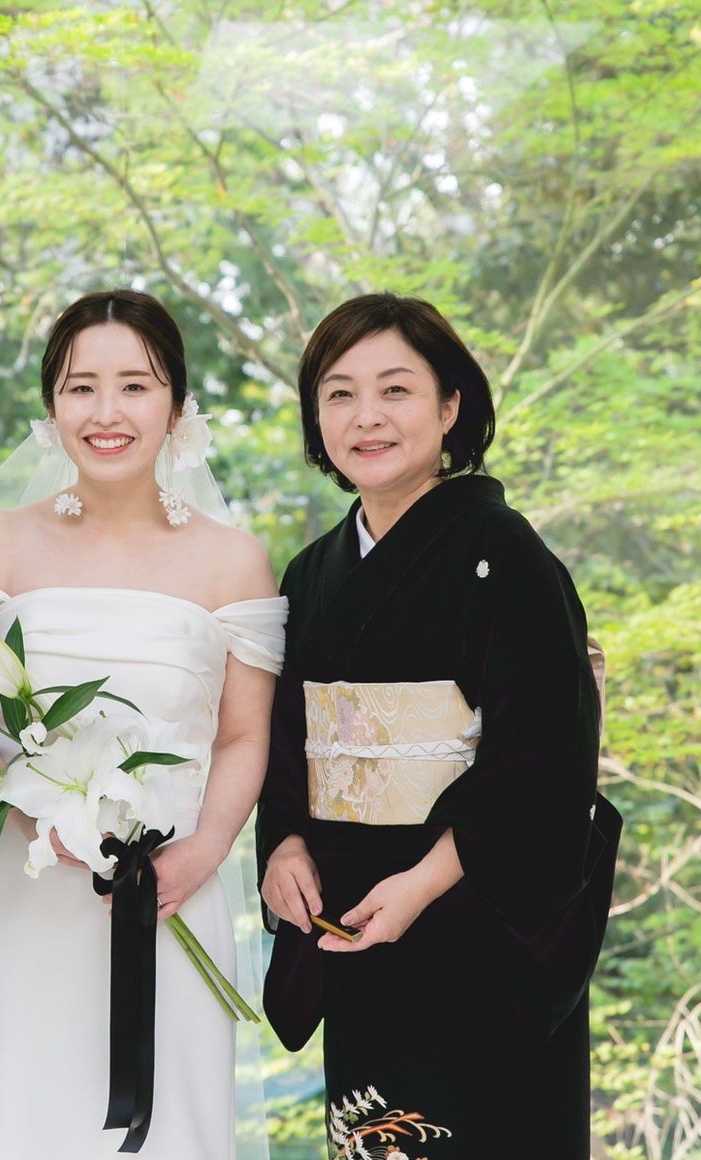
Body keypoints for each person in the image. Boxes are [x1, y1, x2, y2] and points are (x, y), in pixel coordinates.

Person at [0, 290, 287, 1159]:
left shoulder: (234, 560)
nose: (106, 413)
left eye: (135, 386)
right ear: (51, 407)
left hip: (172, 892)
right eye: (81, 387)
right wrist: (36, 822)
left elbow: (243, 734)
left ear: (177, 406)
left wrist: (202, 853)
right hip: (22, 889)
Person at [256, 293, 621, 1158]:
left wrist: (421, 885)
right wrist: (285, 845)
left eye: (396, 390)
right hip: (354, 918)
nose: (366, 417)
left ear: (450, 406)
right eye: (339, 394)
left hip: (477, 925)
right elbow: (285, 749)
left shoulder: (506, 554)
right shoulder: (310, 574)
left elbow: (545, 757)